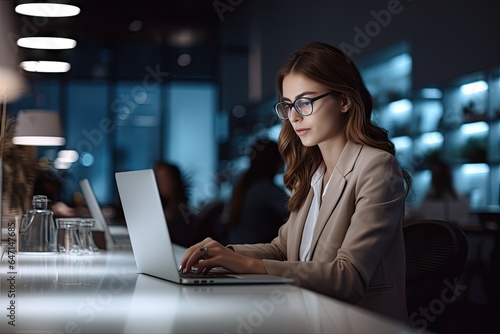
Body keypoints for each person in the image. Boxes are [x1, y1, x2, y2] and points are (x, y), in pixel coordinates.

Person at [180, 42, 412, 322]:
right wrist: (222, 254)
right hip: (308, 317)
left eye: (305, 102)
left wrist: (246, 264)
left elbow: (348, 278)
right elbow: (282, 249)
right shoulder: (313, 174)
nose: (294, 116)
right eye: (288, 105)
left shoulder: (376, 167)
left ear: (345, 101)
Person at [225, 138, 289, 244]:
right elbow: (295, 214)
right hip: (251, 253)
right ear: (275, 161)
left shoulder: (245, 183)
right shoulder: (265, 190)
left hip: (237, 250)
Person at [410, 157, 471, 226]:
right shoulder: (462, 200)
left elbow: (419, 217)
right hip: (454, 236)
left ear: (434, 179)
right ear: (450, 178)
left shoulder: (429, 202)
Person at [153, 161, 200, 247]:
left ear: (175, 180)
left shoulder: (183, 211)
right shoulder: (153, 208)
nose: (160, 183)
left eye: (165, 179)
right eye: (157, 179)